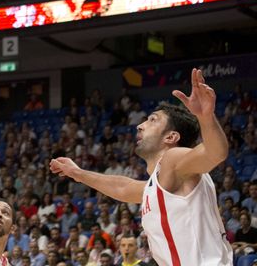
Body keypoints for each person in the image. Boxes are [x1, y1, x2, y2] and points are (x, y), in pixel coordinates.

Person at [51, 68, 233, 265]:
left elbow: (216, 153)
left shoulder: (173, 159)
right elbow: (124, 187)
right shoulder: (161, 181)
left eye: (152, 120)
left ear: (171, 137)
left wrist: (206, 117)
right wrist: (76, 173)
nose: (140, 125)